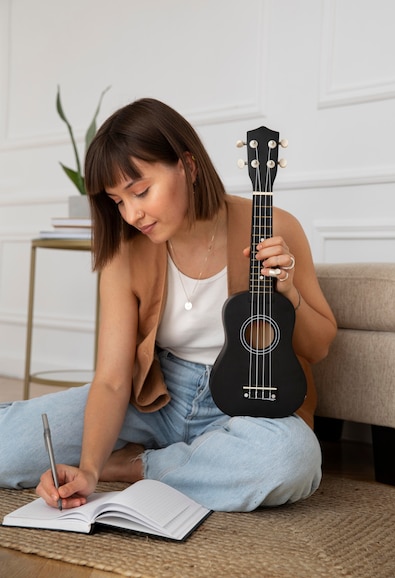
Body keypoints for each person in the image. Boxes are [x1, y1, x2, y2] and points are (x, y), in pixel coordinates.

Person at [0, 98, 337, 512]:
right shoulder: (126, 252)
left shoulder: (273, 224)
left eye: (140, 191)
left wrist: (289, 293)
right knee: (7, 443)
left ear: (189, 166)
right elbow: (112, 380)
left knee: (289, 459)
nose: (132, 213)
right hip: (155, 395)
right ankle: (187, 462)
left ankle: (138, 467)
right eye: (118, 201)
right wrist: (88, 468)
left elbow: (319, 348)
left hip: (245, 404)